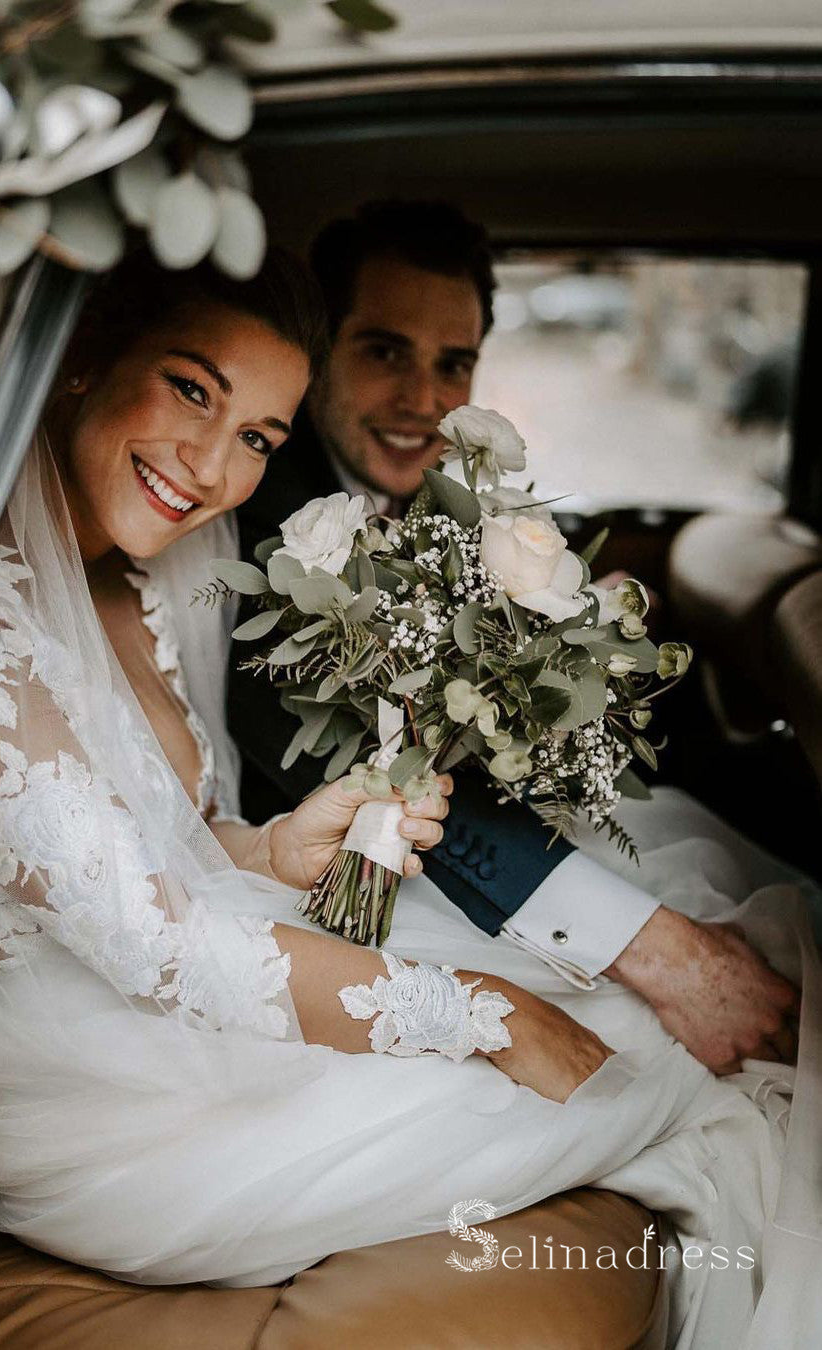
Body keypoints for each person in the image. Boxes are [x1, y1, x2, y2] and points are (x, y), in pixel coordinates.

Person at [0, 246, 821, 1347]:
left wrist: (276, 845)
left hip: (210, 1008)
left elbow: (177, 839)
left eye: (257, 439)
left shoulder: (161, 563)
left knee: (720, 984)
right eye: (191, 390)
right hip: (132, 1113)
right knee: (679, 1055)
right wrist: (485, 1012)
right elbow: (167, 946)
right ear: (84, 358)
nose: (210, 469)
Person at [231, 200, 801, 1075]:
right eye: (384, 351)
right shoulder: (267, 523)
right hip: (341, 881)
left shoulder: (442, 502)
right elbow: (349, 771)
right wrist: (656, 949)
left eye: (453, 363)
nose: (423, 400)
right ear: (319, 349)